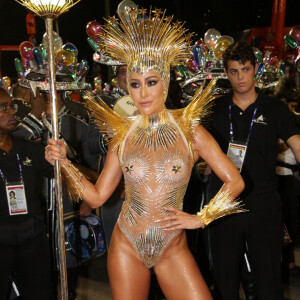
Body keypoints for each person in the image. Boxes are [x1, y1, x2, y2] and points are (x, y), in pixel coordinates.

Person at [46, 5, 244, 300]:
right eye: (135, 85)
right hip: (127, 245)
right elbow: (98, 196)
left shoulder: (190, 131)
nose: (143, 93)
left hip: (172, 249)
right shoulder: (122, 135)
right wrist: (64, 163)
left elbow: (235, 181)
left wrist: (200, 218)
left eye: (151, 82)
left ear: (165, 81)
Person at [206, 41, 300, 300]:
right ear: (226, 72)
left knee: (268, 279)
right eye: (234, 71)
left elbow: (297, 145)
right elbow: (192, 151)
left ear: (255, 69)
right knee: (224, 279)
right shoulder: (214, 109)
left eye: (245, 69)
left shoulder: (274, 108)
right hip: (224, 203)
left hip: (264, 204)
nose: (240, 77)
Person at [0, 88, 54, 299]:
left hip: (32, 236)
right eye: (3, 108)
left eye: (11, 106)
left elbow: (62, 170)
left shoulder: (28, 148)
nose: (12, 112)